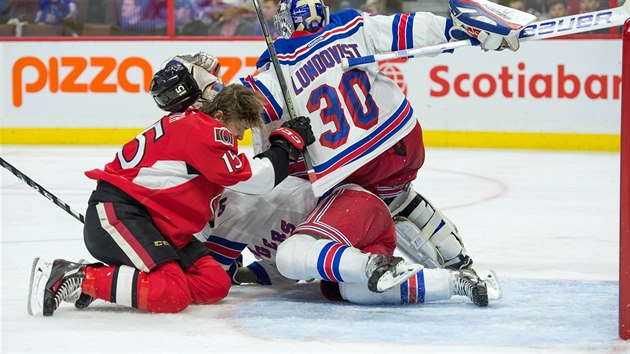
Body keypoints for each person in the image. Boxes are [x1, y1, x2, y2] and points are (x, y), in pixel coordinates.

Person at [233, 0, 531, 272]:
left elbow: (244, 111)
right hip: (404, 139)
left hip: (354, 167)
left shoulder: (275, 71)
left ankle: (305, 264)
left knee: (309, 187)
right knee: (396, 194)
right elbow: (408, 29)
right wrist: (458, 29)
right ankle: (455, 256)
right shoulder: (351, 25)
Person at [27, 62, 316, 317]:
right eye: (239, 127)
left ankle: (125, 282)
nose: (239, 136)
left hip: (155, 223)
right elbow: (256, 180)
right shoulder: (203, 131)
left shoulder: (191, 122)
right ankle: (78, 276)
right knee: (171, 293)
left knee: (214, 284)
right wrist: (285, 144)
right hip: (121, 213)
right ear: (218, 113)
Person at [197, 176, 501, 306]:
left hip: (353, 205)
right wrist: (250, 275)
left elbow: (211, 272)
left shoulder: (234, 200)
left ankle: (374, 265)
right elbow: (280, 270)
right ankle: (458, 282)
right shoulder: (243, 233)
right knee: (351, 291)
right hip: (362, 238)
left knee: (293, 253)